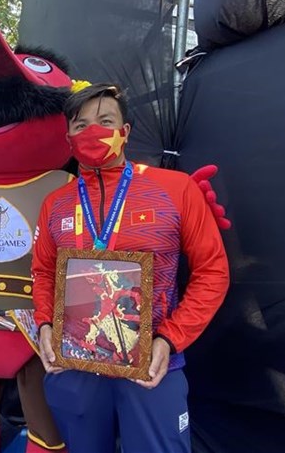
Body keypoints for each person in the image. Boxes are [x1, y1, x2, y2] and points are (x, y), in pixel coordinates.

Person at [31, 83, 230, 453]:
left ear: (125, 131)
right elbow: (43, 271)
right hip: (76, 365)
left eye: (105, 121)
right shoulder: (55, 203)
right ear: (68, 137)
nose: (92, 131)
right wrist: (44, 322)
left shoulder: (176, 189)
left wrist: (171, 338)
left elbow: (212, 271)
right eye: (80, 125)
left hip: (152, 366)